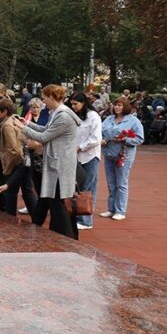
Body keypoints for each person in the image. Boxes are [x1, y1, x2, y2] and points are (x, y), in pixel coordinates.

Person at [13, 84, 81, 238]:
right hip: (57, 163)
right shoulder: (57, 113)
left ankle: (67, 237)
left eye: (44, 99)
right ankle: (64, 235)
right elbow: (45, 130)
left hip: (60, 166)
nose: (43, 102)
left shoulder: (63, 116)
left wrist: (21, 128)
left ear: (51, 97)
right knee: (56, 202)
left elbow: (44, 137)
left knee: (58, 203)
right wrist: (27, 123)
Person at [100, 96, 145, 221]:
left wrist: (125, 139)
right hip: (109, 153)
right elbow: (101, 132)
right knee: (111, 182)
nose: (117, 107)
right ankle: (111, 209)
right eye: (115, 105)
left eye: (120, 105)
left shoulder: (133, 121)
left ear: (125, 107)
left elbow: (140, 138)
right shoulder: (108, 119)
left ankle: (120, 210)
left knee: (121, 182)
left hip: (124, 155)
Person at [70, 91, 102, 230]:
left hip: (90, 156)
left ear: (83, 103)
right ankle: (78, 214)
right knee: (78, 186)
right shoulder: (75, 116)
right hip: (76, 156)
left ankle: (86, 220)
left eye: (76, 104)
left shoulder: (93, 116)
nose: (73, 107)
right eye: (72, 104)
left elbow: (96, 138)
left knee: (87, 188)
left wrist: (80, 147)